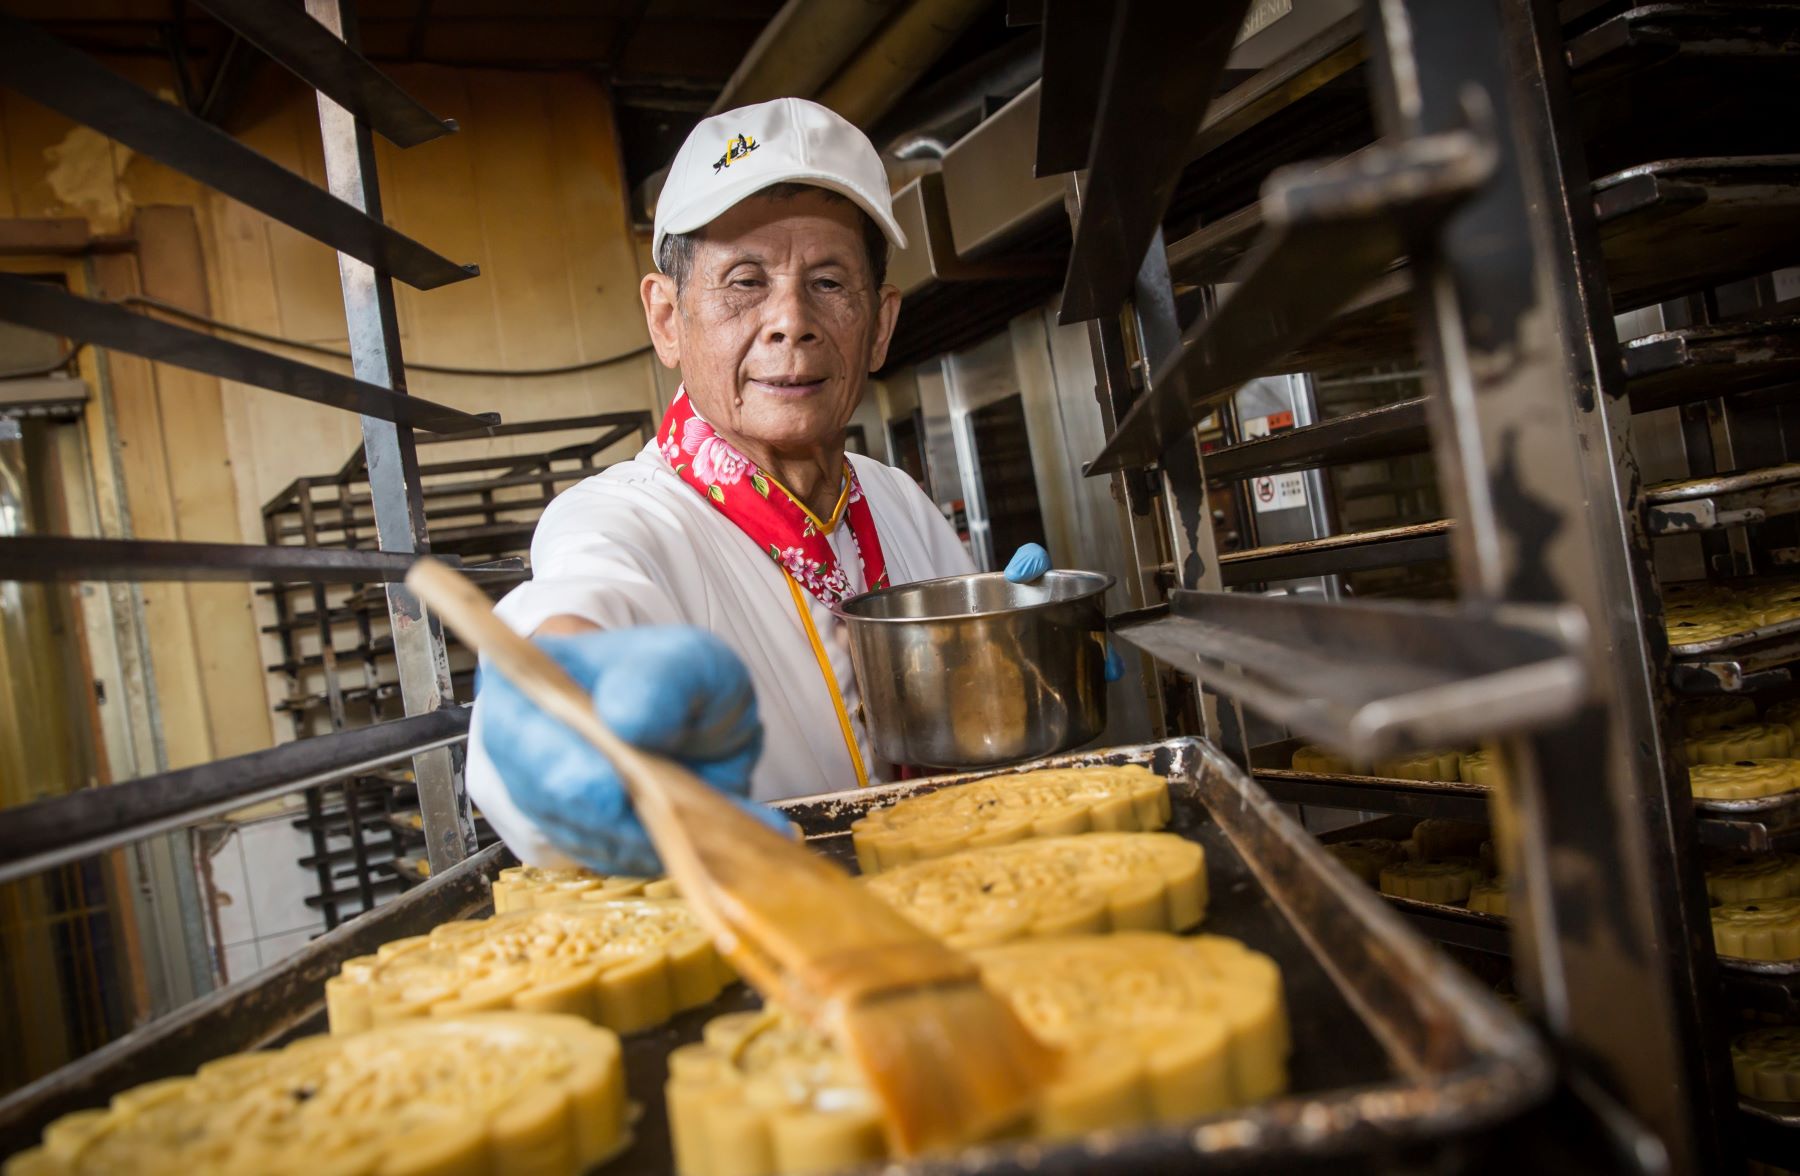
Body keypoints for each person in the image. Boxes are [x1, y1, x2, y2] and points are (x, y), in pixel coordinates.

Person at [467, 98, 1103, 876]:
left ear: (879, 325)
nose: (791, 322)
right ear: (667, 320)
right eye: (744, 280)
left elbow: (967, 713)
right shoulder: (624, 519)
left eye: (830, 282)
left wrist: (1016, 661)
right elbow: (569, 615)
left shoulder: (896, 500)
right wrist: (555, 715)